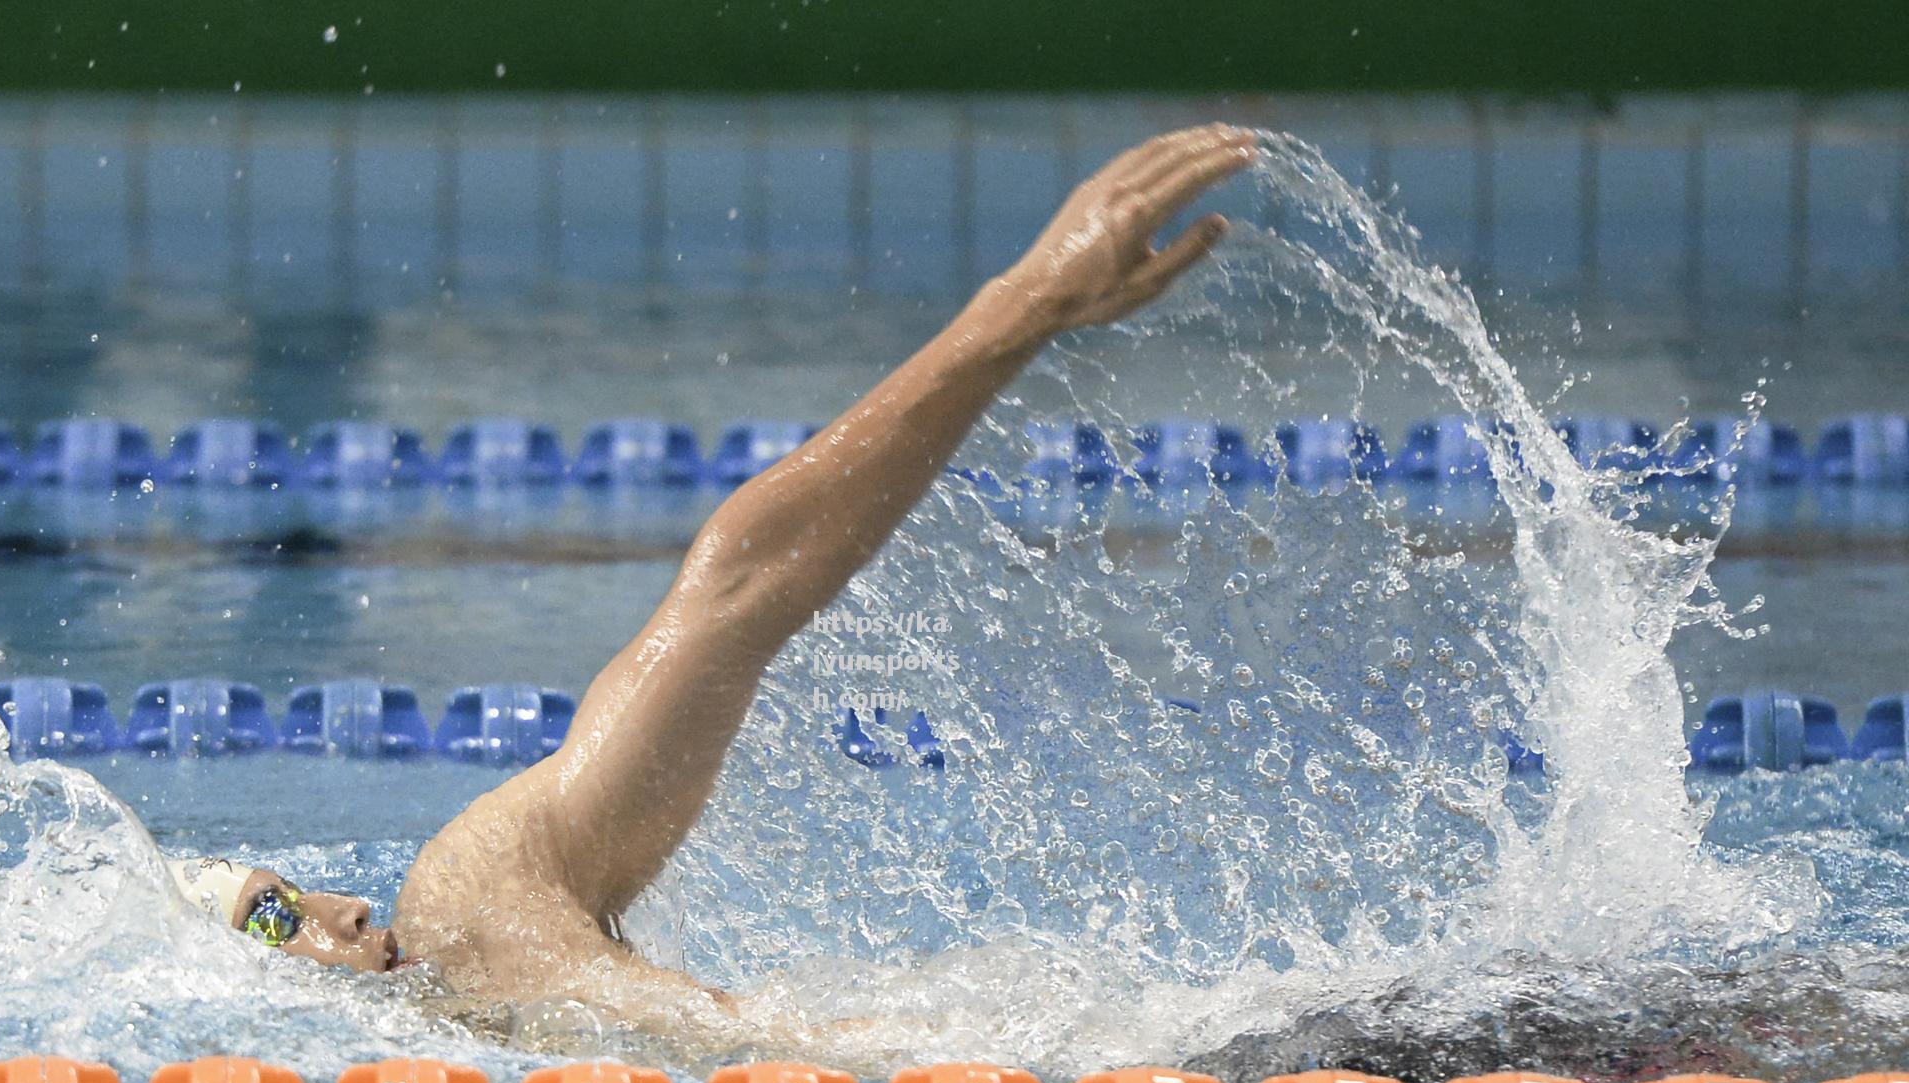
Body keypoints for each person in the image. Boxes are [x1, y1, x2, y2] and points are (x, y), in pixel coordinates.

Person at [169, 124, 1258, 1031]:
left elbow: (735, 590)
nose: (349, 909)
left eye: (294, 892)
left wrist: (1016, 311)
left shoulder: (468, 902)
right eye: (276, 922)